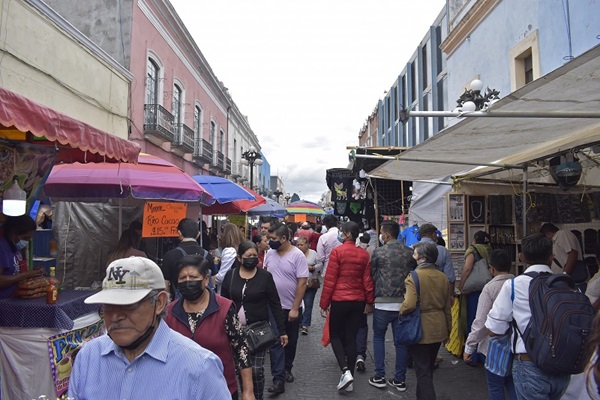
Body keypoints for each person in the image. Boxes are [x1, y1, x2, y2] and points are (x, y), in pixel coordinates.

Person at [68, 256, 230, 399]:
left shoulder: (200, 367)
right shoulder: (88, 357)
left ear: (159, 303)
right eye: (109, 306)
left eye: (129, 305)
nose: (116, 316)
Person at [485, 233, 571, 399]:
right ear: (552, 258)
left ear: (521, 257)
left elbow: (494, 329)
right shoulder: (567, 283)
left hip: (529, 364)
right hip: (564, 365)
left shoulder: (513, 286)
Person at [164, 255, 254, 400]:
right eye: (182, 278)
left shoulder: (224, 308)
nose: (188, 282)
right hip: (181, 390)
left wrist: (248, 391)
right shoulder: (169, 313)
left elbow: (241, 349)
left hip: (221, 389)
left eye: (193, 277)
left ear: (206, 279)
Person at [222, 241, 288, 400]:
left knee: (256, 369)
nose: (252, 259)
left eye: (254, 255)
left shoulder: (265, 277)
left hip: (258, 330)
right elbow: (223, 302)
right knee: (238, 368)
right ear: (239, 258)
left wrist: (282, 331)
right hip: (235, 331)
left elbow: (275, 304)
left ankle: (257, 396)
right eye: (248, 256)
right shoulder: (230, 276)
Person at [319, 221, 375, 393]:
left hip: (339, 300)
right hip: (357, 302)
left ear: (348, 234)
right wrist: (369, 301)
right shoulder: (364, 255)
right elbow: (367, 281)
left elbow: (330, 281)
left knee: (335, 335)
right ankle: (349, 377)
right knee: (351, 338)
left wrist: (324, 303)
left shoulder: (337, 252)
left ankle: (345, 371)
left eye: (342, 232)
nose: (340, 234)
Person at [368, 221, 416, 391]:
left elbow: (372, 275)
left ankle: (379, 376)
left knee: (378, 338)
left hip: (382, 303)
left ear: (386, 234)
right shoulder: (409, 252)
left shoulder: (378, 252)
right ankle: (399, 380)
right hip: (403, 303)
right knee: (400, 343)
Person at [400, 241, 452, 400]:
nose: (413, 255)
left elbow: (409, 304)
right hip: (439, 326)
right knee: (427, 369)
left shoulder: (414, 276)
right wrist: (448, 330)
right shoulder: (442, 277)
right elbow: (447, 307)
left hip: (420, 327)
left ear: (422, 257)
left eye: (415, 253)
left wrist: (401, 311)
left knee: (423, 372)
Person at [463, 249, 516, 400]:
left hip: (493, 347)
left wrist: (469, 347)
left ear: (491, 268)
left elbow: (480, 322)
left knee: (496, 387)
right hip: (517, 345)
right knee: (512, 384)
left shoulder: (489, 288)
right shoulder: (519, 284)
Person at [264, 223, 309, 394]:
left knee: (291, 340)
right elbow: (266, 275)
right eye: (269, 238)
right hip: (273, 307)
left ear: (284, 238)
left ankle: (287, 367)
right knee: (276, 341)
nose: (270, 242)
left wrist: (295, 307)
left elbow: (302, 282)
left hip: (291, 306)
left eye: (273, 239)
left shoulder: (297, 256)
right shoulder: (269, 254)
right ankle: (278, 377)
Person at [457, 230, 493, 365]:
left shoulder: (473, 250)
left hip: (474, 290)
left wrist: (462, 285)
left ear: (474, 240)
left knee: (473, 320)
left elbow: (467, 268)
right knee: (486, 320)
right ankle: (484, 353)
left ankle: (472, 355)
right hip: (488, 286)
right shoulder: (490, 250)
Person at [161, 218, 212, 297]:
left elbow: (165, 283)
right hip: (204, 301)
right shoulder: (207, 255)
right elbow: (213, 280)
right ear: (198, 234)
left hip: (178, 304)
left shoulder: (170, 256)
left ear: (179, 233)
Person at [0, 215, 44, 298]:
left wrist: (33, 272)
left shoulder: (13, 246)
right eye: (25, 238)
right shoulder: (2, 248)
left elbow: (15, 272)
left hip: (16, 298)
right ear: (15, 233)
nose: (26, 242)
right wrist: (26, 275)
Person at [418, 223, 455, 300]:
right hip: (438, 294)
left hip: (418, 293)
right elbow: (450, 278)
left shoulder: (411, 249)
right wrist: (451, 297)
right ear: (433, 234)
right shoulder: (443, 251)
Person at [296, 236, 322, 335]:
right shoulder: (295, 254)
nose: (299, 247)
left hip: (310, 283)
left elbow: (320, 264)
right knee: (298, 302)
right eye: (297, 245)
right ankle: (298, 321)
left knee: (308, 303)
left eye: (301, 245)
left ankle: (305, 325)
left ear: (307, 245)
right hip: (298, 283)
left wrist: (313, 268)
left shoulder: (313, 253)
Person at [213, 223, 245, 293]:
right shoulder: (237, 249)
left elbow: (221, 277)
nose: (219, 236)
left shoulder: (229, 251)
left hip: (227, 290)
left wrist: (208, 280)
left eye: (221, 234)